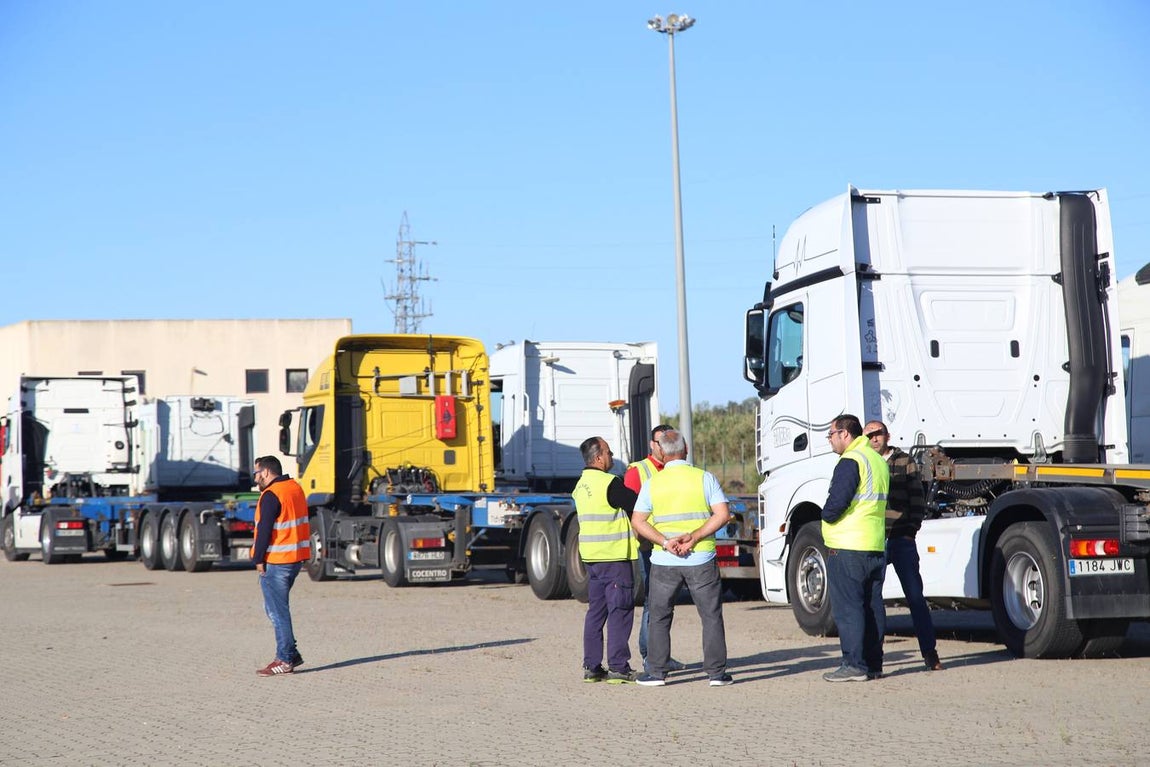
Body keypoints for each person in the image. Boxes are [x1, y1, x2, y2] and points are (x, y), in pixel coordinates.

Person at [630, 429, 733, 687]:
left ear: (662, 453)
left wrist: (665, 542)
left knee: (659, 615)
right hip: (700, 557)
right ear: (685, 449)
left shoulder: (653, 483)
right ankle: (716, 674)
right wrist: (695, 536)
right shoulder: (704, 478)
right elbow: (722, 515)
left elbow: (637, 521)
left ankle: (655, 672)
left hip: (664, 560)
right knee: (710, 615)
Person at [865, 420, 943, 671]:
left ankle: (930, 654)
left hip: (901, 539)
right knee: (874, 600)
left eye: (878, 434)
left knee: (915, 598)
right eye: (869, 435)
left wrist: (911, 532)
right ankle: (875, 661)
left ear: (887, 436)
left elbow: (917, 499)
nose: (874, 439)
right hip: (875, 541)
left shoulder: (904, 461)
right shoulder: (864, 461)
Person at [821, 414, 890, 682]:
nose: (830, 440)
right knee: (873, 607)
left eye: (831, 435)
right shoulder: (877, 460)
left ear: (845, 434)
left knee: (849, 608)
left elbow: (837, 502)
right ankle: (874, 664)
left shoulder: (851, 461)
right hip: (874, 543)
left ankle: (853, 665)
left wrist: (825, 516)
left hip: (848, 544)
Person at [574, 437, 640, 684]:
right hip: (613, 556)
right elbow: (635, 503)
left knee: (596, 612)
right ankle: (618, 668)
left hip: (591, 557)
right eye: (609, 452)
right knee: (620, 611)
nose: (612, 456)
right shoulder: (609, 483)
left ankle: (591, 667)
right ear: (599, 457)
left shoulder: (581, 485)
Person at [623, 423, 685, 675]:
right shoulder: (638, 470)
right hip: (651, 546)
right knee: (653, 603)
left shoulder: (677, 470)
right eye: (661, 441)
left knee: (666, 603)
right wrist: (648, 538)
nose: (665, 446)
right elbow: (633, 511)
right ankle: (650, 657)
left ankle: (661, 655)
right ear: (652, 444)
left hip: (675, 545)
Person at [251, 455, 311, 677]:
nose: (256, 479)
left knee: (278, 612)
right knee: (275, 609)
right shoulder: (294, 487)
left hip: (277, 560)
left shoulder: (271, 495)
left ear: (266, 472)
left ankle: (285, 659)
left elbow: (264, 530)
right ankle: (291, 653)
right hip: (295, 558)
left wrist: (258, 560)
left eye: (257, 474)